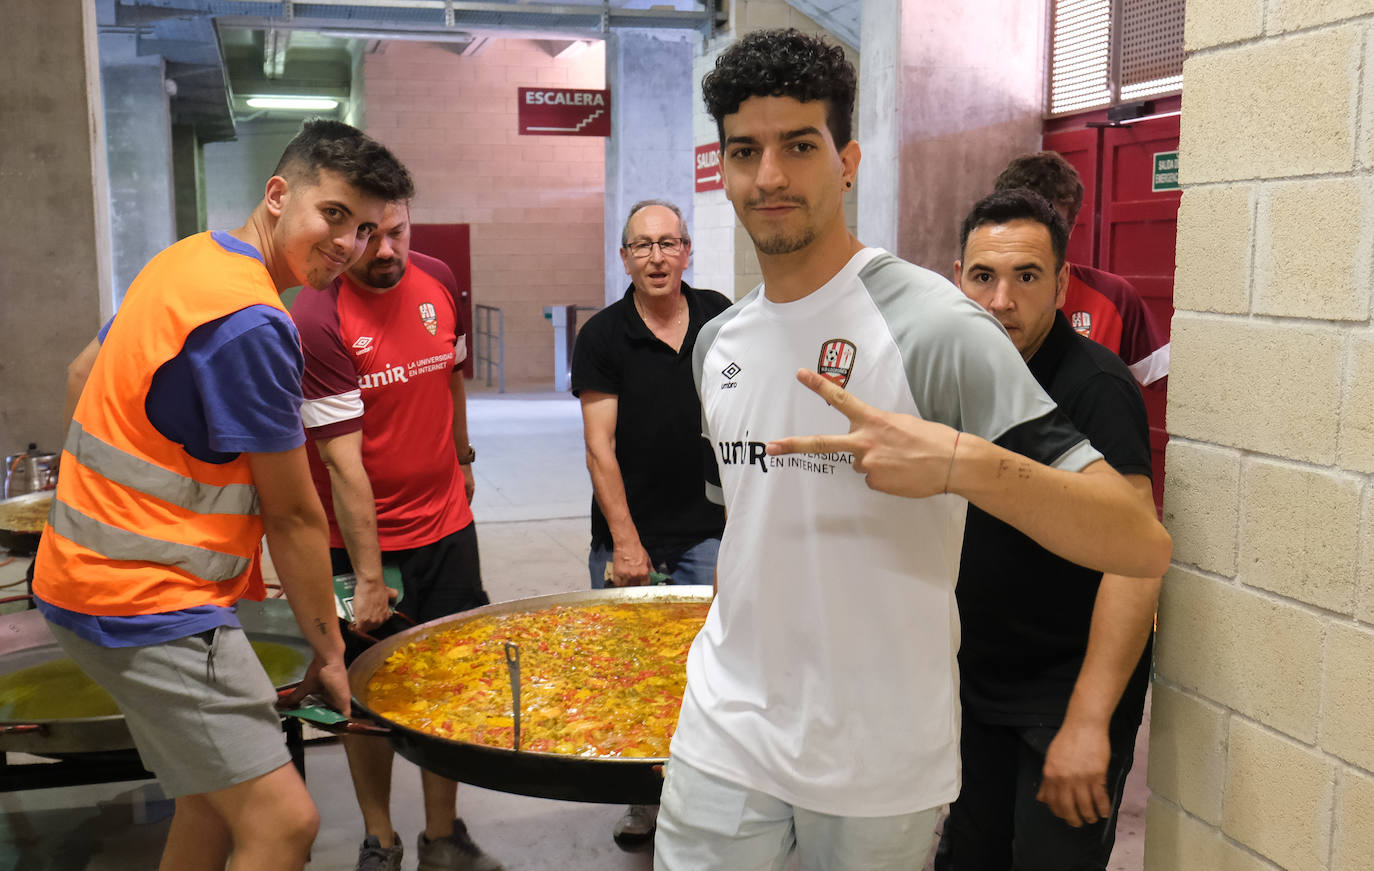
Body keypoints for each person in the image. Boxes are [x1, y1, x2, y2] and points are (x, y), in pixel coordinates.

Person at [653, 29, 1171, 871]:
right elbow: (743, 539)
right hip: (725, 731)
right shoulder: (719, 341)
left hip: (878, 758)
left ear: (847, 160)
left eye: (799, 145)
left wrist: (958, 462)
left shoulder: (934, 326)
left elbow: (1136, 539)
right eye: (745, 151)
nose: (771, 176)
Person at [31, 118, 412, 871]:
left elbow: (84, 375)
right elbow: (295, 512)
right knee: (283, 822)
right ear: (278, 195)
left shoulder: (189, 261)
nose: (349, 243)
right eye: (332, 214)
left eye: (366, 228)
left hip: (81, 573)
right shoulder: (254, 326)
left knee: (212, 801)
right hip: (148, 601)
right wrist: (329, 650)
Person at [934, 189, 1160, 871]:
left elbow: (1136, 559)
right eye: (983, 277)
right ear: (957, 278)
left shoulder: (1095, 385)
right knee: (969, 858)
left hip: (1063, 689)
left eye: (1026, 276)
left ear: (1062, 283)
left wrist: (1089, 722)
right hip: (975, 684)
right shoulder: (952, 372)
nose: (1001, 300)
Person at [292, 201, 504, 871]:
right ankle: (379, 838)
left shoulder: (437, 279)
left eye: (397, 232)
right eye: (366, 235)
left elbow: (451, 378)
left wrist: (463, 458)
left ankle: (442, 837)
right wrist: (371, 572)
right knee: (361, 695)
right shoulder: (316, 316)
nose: (385, 250)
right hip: (353, 546)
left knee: (452, 681)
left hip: (446, 528)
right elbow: (339, 462)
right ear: (340, 233)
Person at [569, 199, 731, 847]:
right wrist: (626, 542)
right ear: (625, 257)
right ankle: (644, 801)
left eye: (669, 243)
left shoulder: (722, 315)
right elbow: (598, 446)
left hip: (709, 532)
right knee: (632, 675)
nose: (657, 257)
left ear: (688, 250)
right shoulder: (604, 337)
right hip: (630, 538)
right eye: (643, 245)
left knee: (714, 672)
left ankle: (712, 792)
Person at [993, 151, 1169, 387]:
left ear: (1071, 228)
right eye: (1022, 222)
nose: (1034, 239)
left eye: (1051, 225)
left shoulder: (1114, 296)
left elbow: (1172, 386)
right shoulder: (972, 298)